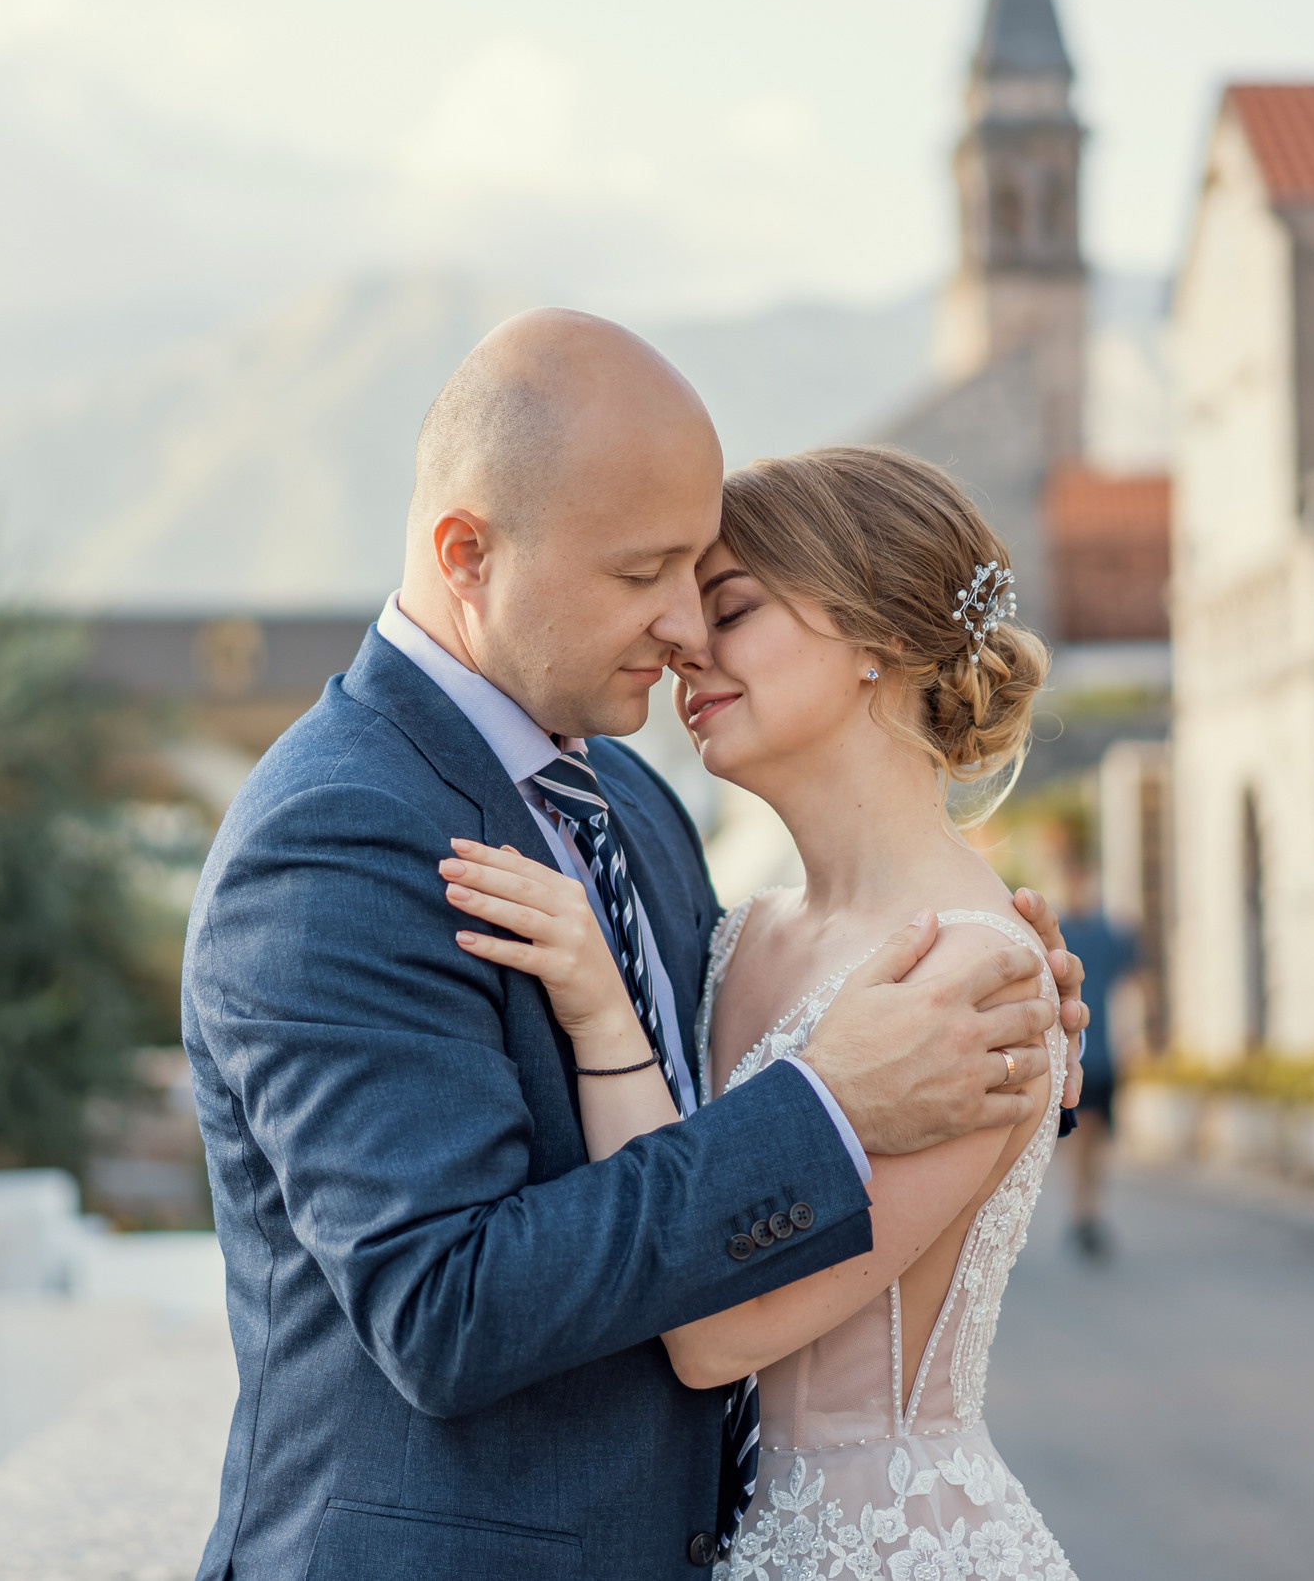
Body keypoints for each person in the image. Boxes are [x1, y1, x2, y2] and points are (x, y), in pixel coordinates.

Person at [180, 309, 1091, 1581]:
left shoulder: (634, 808)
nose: (683, 633)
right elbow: (443, 1306)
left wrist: (1022, 1060)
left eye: (710, 585)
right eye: (642, 574)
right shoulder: (338, 834)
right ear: (468, 555)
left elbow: (731, 1102)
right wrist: (833, 1104)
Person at [444, 447, 1081, 1579]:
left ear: (876, 639)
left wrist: (602, 1013)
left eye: (729, 606)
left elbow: (711, 1332)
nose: (685, 642)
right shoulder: (738, 939)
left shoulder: (981, 973)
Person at [1055, 868, 1135, 1262]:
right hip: (1076, 1054)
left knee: (1100, 1135)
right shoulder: (1058, 934)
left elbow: (1133, 985)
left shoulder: (1110, 935)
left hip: (1107, 1053)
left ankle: (1091, 1209)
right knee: (1082, 1135)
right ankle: (1083, 1210)